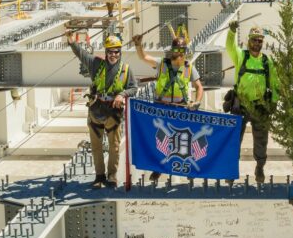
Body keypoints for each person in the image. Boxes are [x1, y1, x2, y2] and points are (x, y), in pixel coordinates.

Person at [68, 31, 138, 189]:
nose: (113, 55)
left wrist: (122, 94)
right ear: (106, 52)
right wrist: (72, 42)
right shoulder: (97, 65)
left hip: (114, 112)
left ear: (120, 52)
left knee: (114, 146)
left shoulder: (126, 70)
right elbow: (82, 54)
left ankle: (111, 176)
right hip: (97, 110)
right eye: (110, 51)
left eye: (116, 51)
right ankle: (99, 176)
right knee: (96, 145)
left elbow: (133, 88)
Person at [136, 34, 204, 182]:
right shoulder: (162, 64)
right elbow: (144, 57)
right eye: (176, 50)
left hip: (181, 108)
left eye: (181, 50)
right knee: (161, 139)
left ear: (185, 51)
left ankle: (187, 168)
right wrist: (138, 45)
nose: (178, 53)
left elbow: (199, 87)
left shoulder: (189, 67)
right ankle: (158, 169)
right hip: (162, 108)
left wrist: (197, 102)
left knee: (185, 140)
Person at [225, 21, 276, 183]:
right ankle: (231, 170)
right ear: (249, 40)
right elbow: (230, 47)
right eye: (254, 40)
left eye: (260, 40)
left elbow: (275, 84)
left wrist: (273, 102)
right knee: (234, 140)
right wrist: (232, 32)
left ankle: (259, 167)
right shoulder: (241, 56)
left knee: (261, 141)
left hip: (260, 107)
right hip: (240, 106)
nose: (257, 43)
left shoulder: (267, 62)